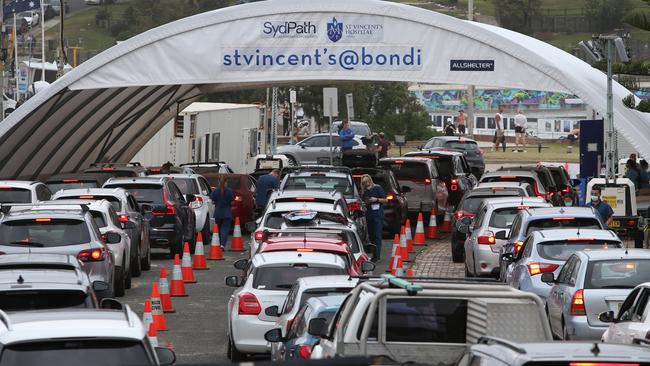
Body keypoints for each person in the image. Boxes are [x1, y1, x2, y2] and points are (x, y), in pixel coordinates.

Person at [360, 175, 387, 262]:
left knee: (377, 235)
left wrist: (376, 199)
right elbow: (362, 201)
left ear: (370, 181)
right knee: (371, 236)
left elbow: (385, 200)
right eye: (364, 183)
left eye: (367, 182)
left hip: (377, 215)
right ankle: (374, 253)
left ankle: (377, 255)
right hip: (369, 215)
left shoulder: (377, 188)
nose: (366, 185)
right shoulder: (364, 191)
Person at [210, 177, 234, 249]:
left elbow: (212, 200)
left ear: (218, 182)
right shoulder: (229, 191)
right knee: (225, 229)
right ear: (226, 182)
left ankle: (219, 243)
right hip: (227, 212)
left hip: (218, 212)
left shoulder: (215, 191)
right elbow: (232, 201)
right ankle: (222, 244)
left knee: (218, 229)